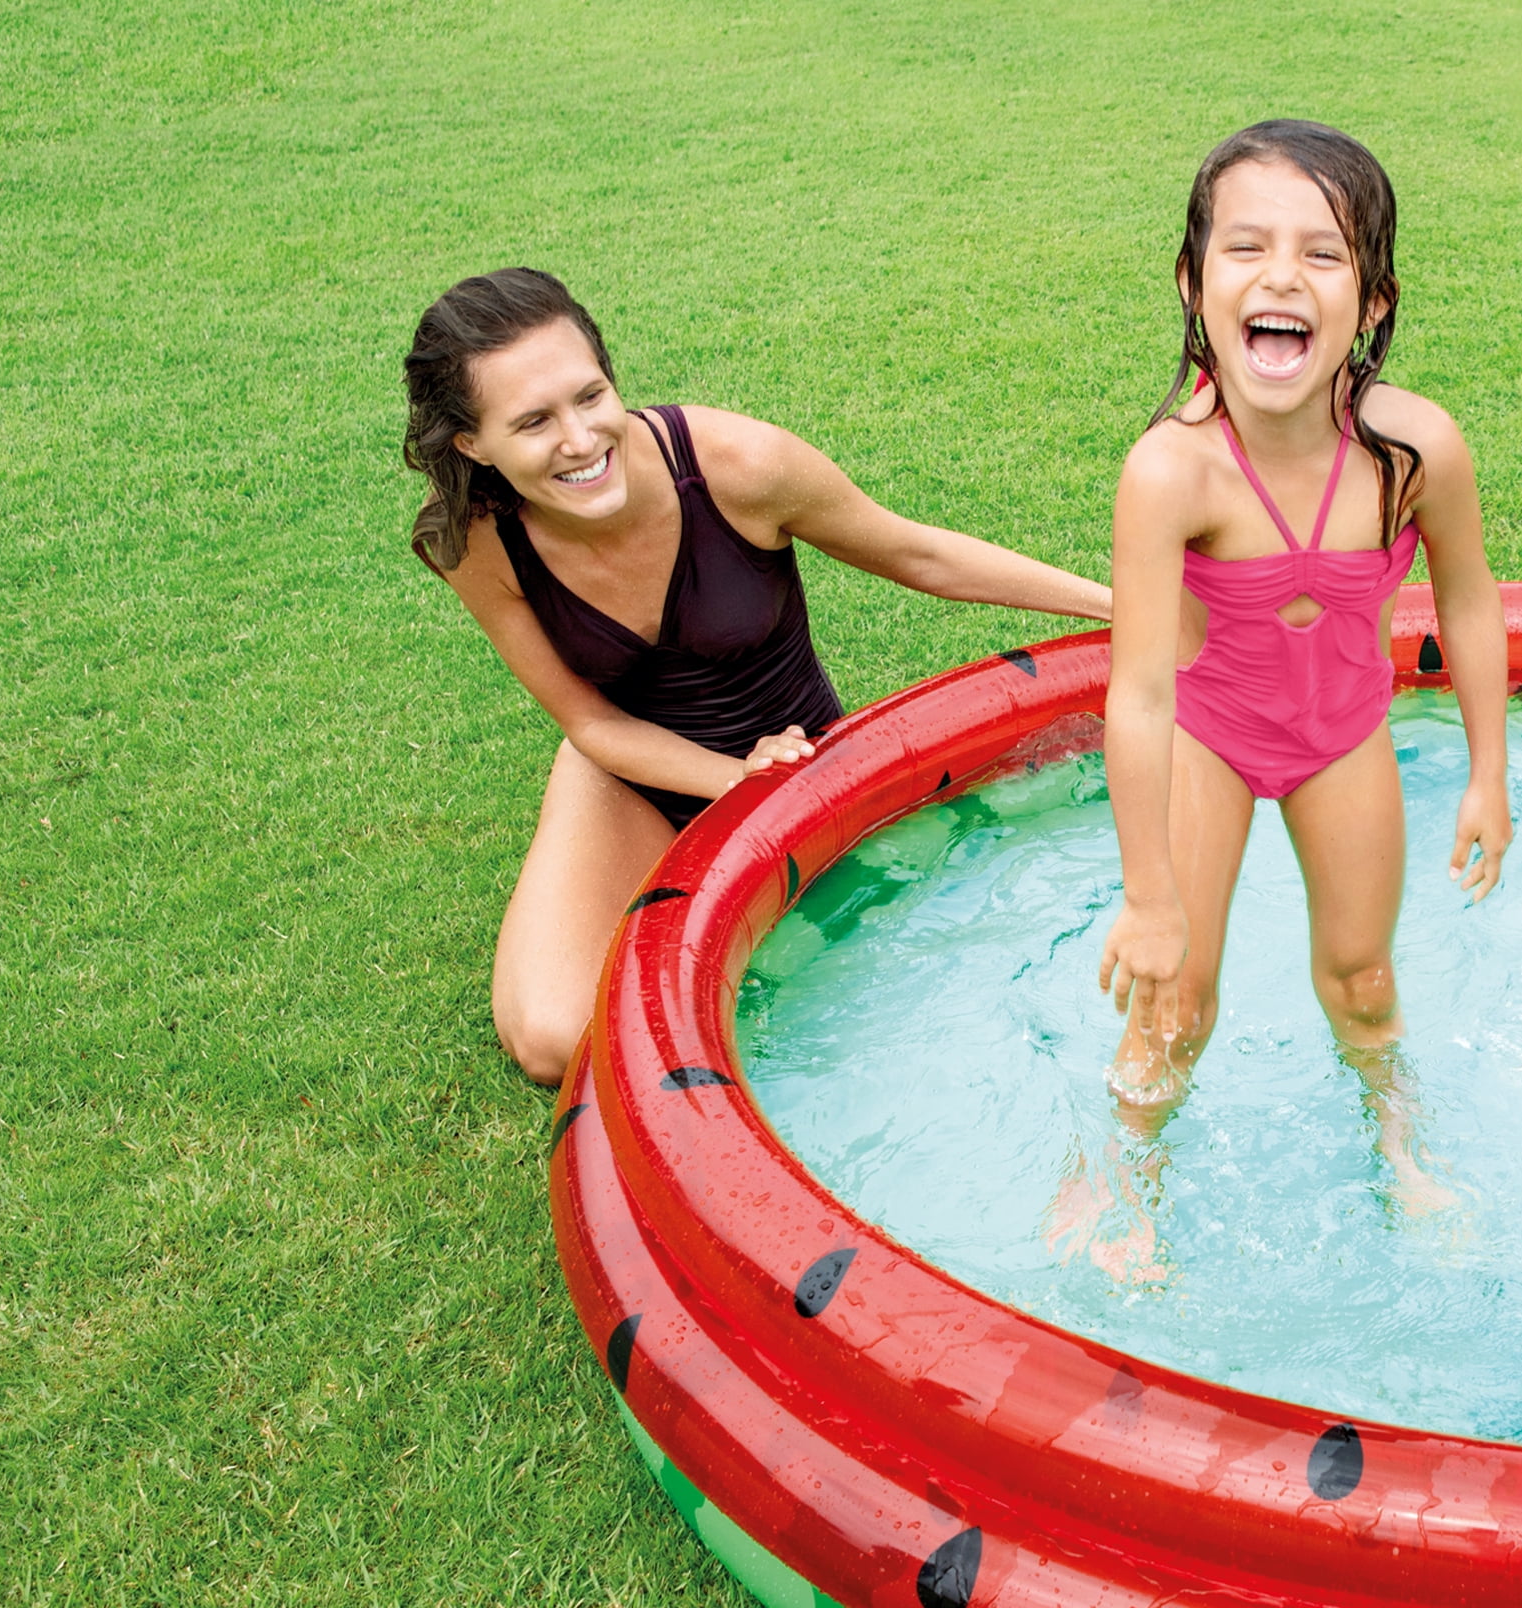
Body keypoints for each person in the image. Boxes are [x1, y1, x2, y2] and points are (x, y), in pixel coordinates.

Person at [401, 267, 1110, 1086]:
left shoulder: (736, 466)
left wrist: (1122, 604)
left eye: (590, 396)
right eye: (533, 422)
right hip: (633, 769)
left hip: (800, 768)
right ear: (472, 444)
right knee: (554, 1041)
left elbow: (916, 553)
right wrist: (734, 777)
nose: (581, 439)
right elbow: (590, 723)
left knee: (866, 990)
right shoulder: (477, 544)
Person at [1091, 120, 1511, 1120]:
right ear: (1193, 281)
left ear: (1371, 303)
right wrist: (1148, 895)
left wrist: (1487, 775)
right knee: (1174, 1000)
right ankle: (1127, 1177)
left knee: (1362, 977)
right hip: (1209, 738)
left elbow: (1470, 599)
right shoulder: (1172, 471)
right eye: (1248, 247)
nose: (1282, 277)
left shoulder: (1414, 451)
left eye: (1322, 254)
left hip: (1344, 734)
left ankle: (1399, 1142)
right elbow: (1141, 695)